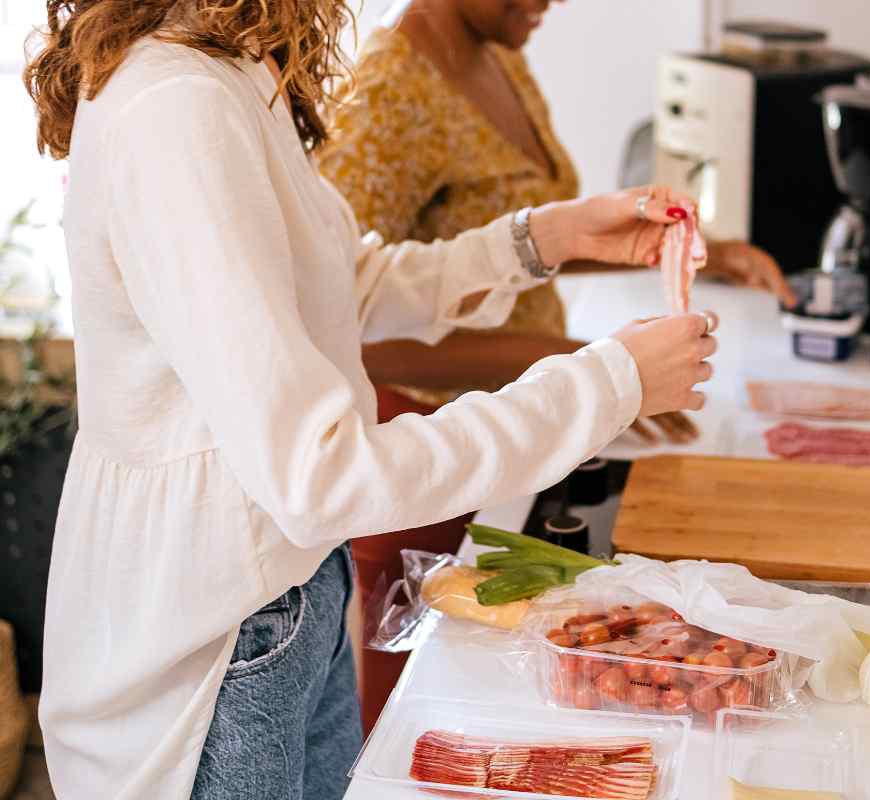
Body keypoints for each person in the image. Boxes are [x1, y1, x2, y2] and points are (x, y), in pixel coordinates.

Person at [22, 1, 718, 797]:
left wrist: (538, 240)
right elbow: (320, 477)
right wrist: (609, 382)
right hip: (219, 640)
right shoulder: (174, 106)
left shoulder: (230, 64)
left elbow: (335, 286)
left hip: (289, 591)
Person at [318, 0, 797, 730]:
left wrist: (668, 254)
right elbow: (349, 325)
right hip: (428, 454)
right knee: (419, 720)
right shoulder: (386, 92)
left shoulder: (498, 51)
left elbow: (486, 264)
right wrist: (581, 364)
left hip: (524, 427)